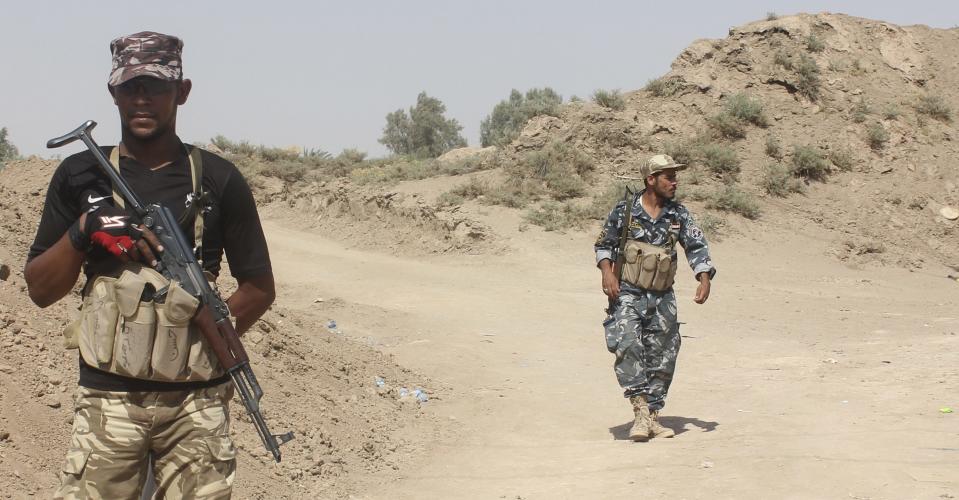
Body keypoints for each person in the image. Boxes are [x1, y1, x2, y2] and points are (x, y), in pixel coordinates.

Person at [24, 31, 275, 498]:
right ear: (113, 94)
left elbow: (259, 286)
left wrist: (207, 330)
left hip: (197, 405)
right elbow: (40, 290)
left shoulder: (219, 178)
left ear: (182, 92)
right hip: (108, 400)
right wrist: (84, 229)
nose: (142, 99)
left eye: (156, 87)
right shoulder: (79, 176)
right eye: (129, 87)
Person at [594, 154, 715, 442]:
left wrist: (704, 276)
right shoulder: (625, 211)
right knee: (627, 344)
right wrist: (607, 274)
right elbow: (604, 245)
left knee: (664, 354)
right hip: (628, 292)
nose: (675, 182)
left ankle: (653, 415)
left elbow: (696, 245)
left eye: (675, 176)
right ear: (651, 180)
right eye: (668, 177)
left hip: (662, 296)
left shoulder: (678, 214)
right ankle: (640, 412)